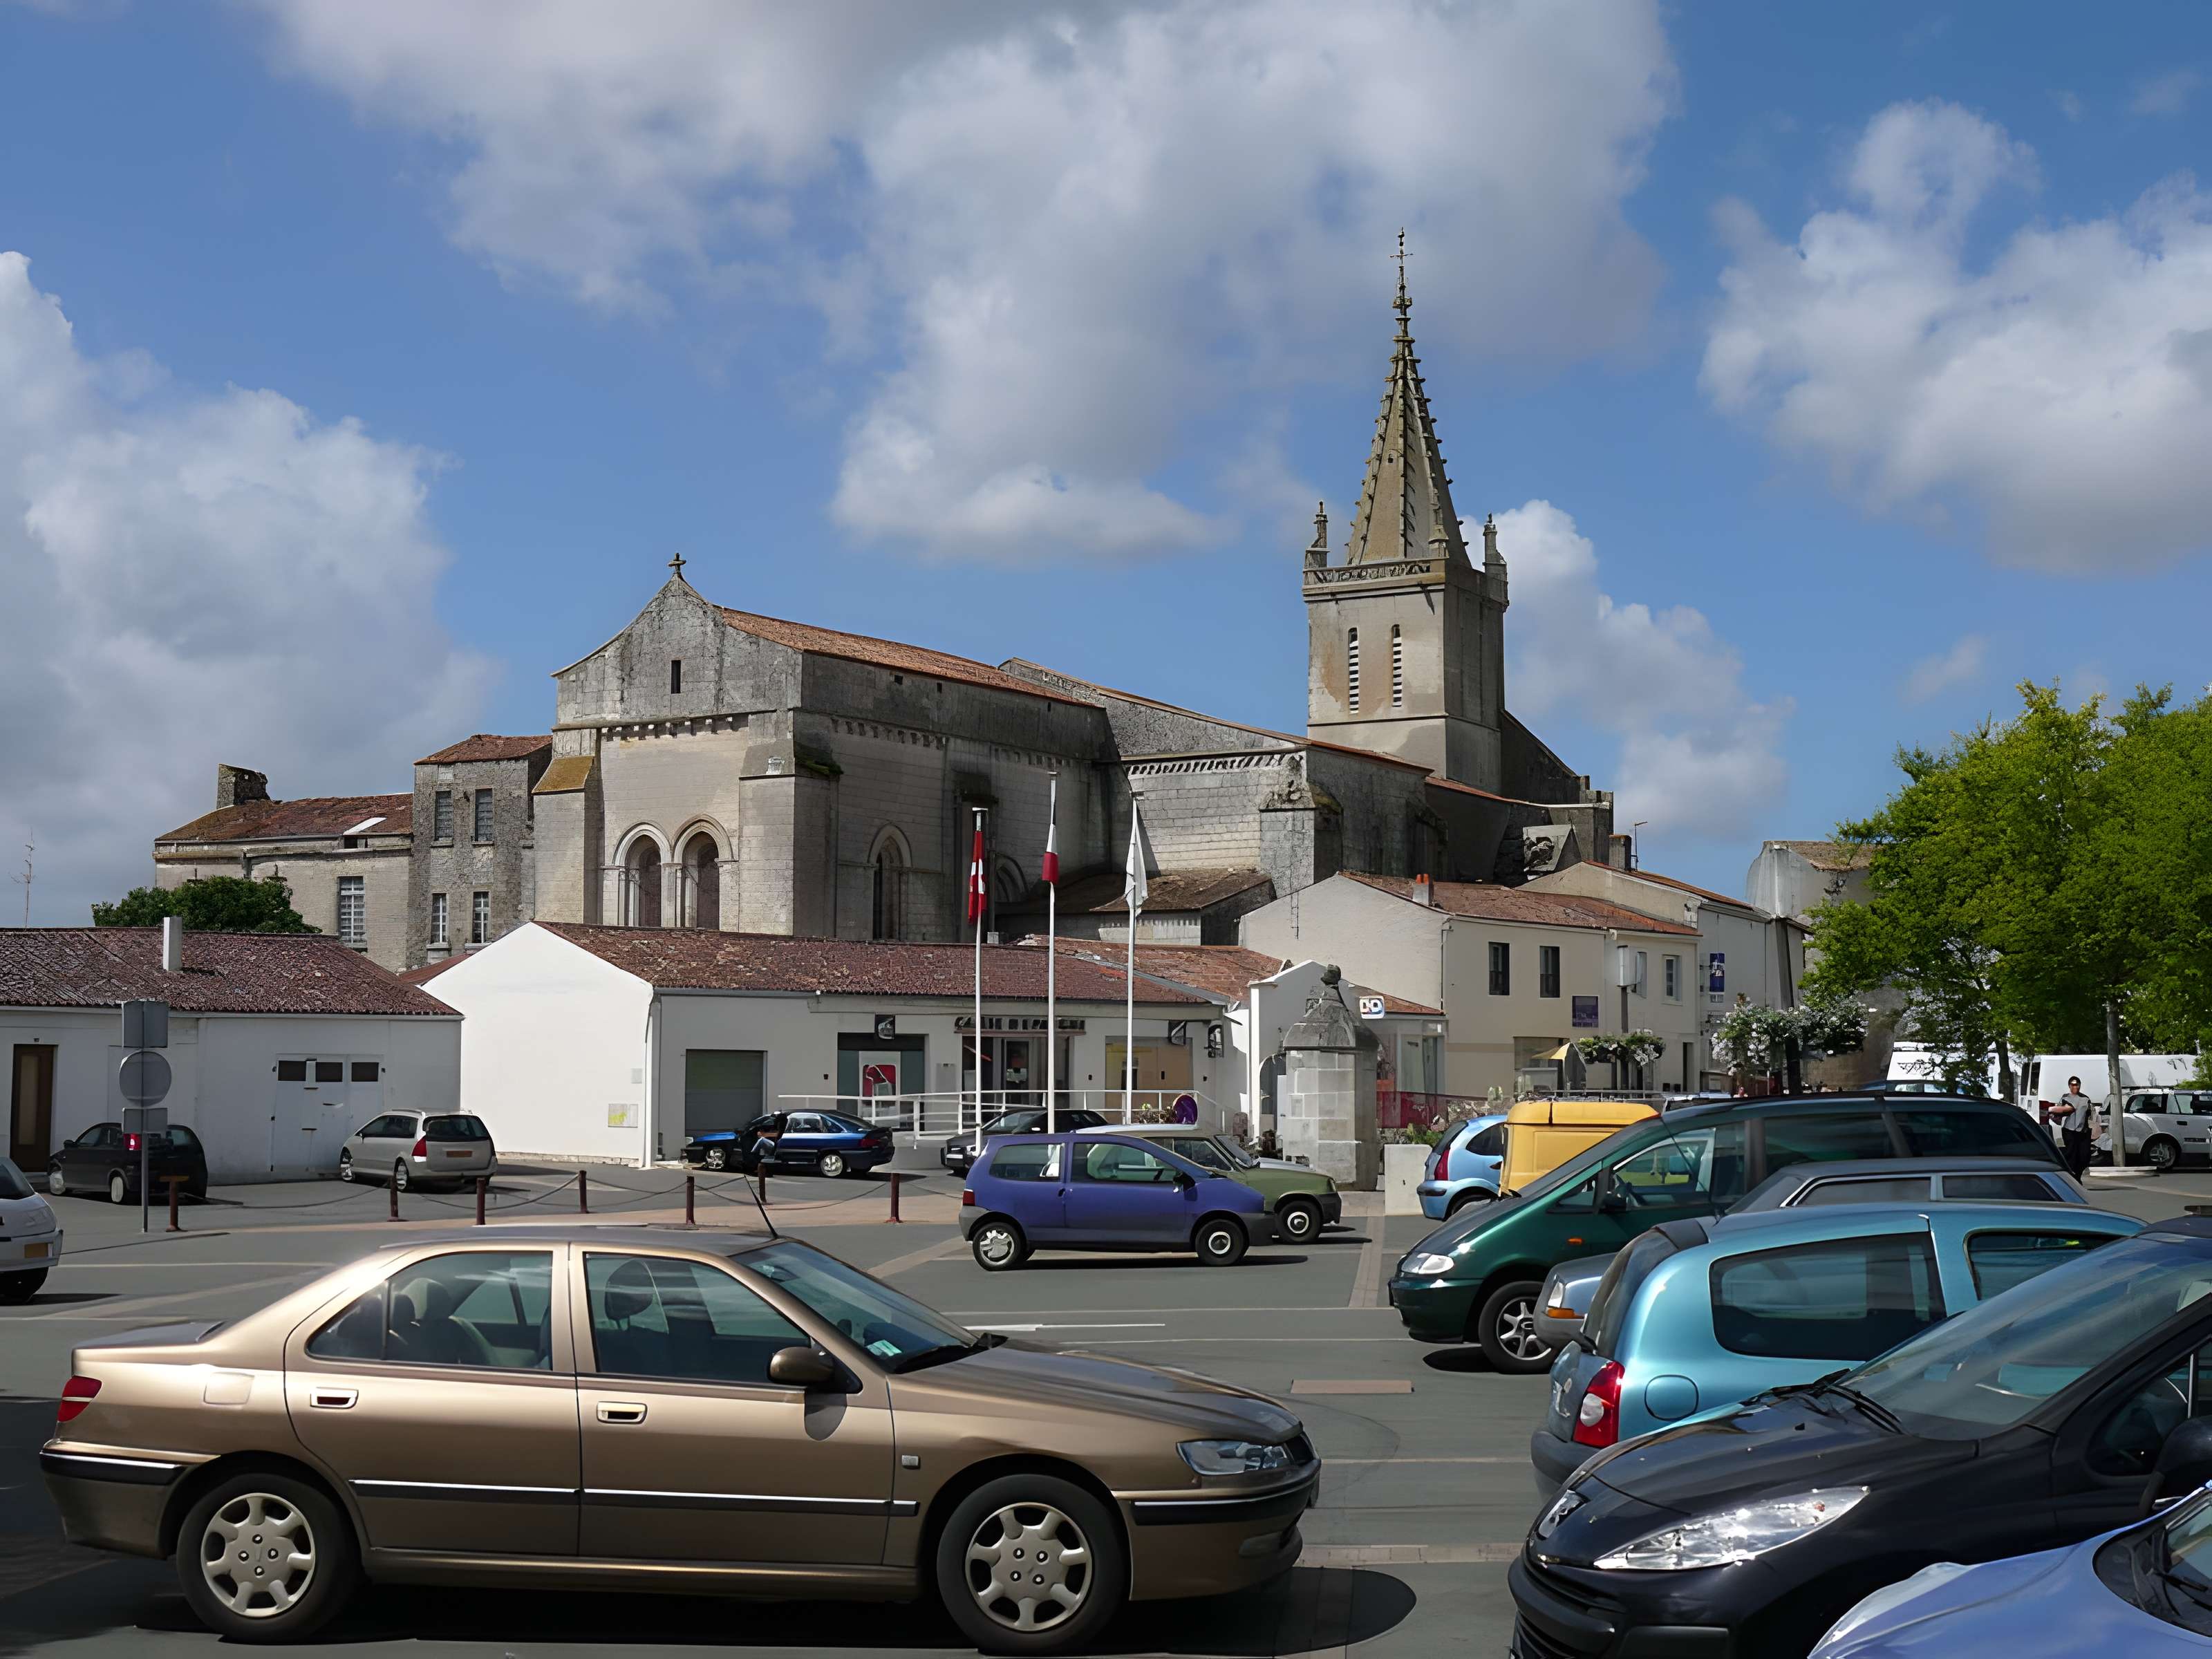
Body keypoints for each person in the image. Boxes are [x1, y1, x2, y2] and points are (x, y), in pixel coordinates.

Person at [2053, 1076, 2094, 1175]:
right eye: (2073, 1085)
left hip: (2082, 1131)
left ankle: (2078, 1174)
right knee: (2071, 1154)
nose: (2075, 1087)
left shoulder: (2085, 1099)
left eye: (2077, 1085)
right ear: (2069, 1086)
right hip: (2069, 1130)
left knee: (2084, 1156)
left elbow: (2089, 1115)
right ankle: (2073, 1176)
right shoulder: (2065, 1098)